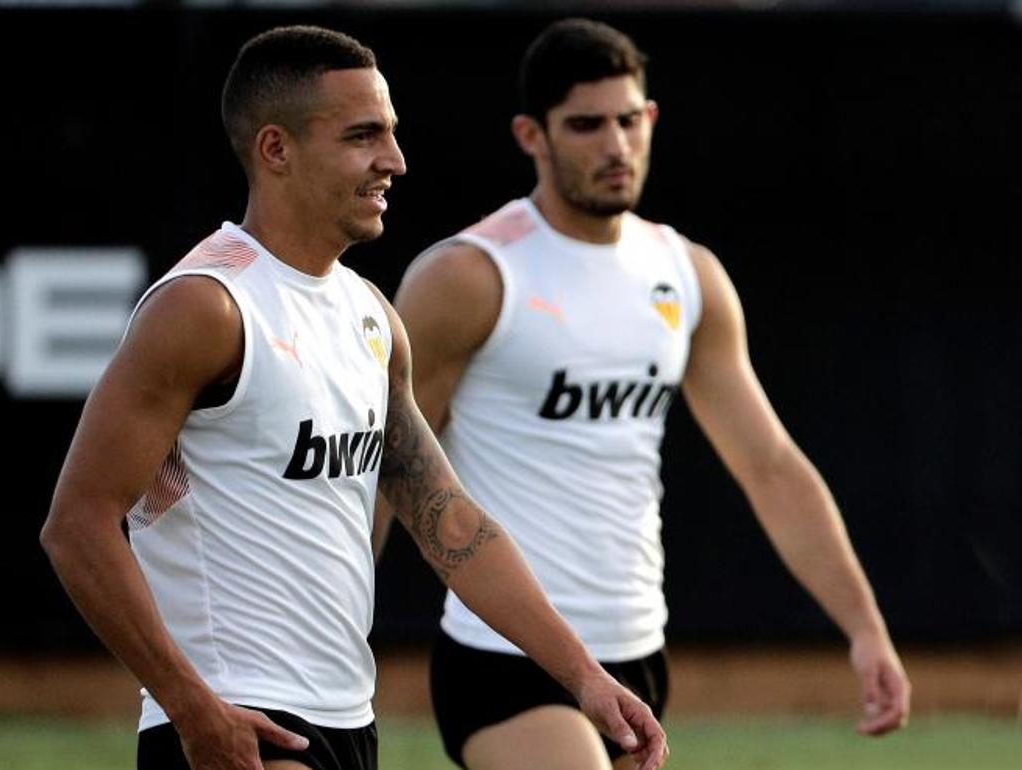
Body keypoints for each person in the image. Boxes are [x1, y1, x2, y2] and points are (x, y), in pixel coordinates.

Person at [39, 25, 668, 770]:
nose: (394, 161)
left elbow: (451, 524)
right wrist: (191, 707)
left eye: (392, 134)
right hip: (241, 717)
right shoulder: (207, 307)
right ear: (276, 149)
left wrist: (584, 678)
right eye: (363, 136)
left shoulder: (370, 315)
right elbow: (76, 525)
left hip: (347, 718)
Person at [385, 18, 912, 770]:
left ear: (652, 119)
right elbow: (385, 467)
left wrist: (864, 628)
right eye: (587, 125)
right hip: (506, 657)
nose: (615, 145)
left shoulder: (686, 272)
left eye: (630, 121)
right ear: (532, 135)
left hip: (637, 650)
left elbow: (769, 465)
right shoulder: (470, 275)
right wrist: (331, 631)